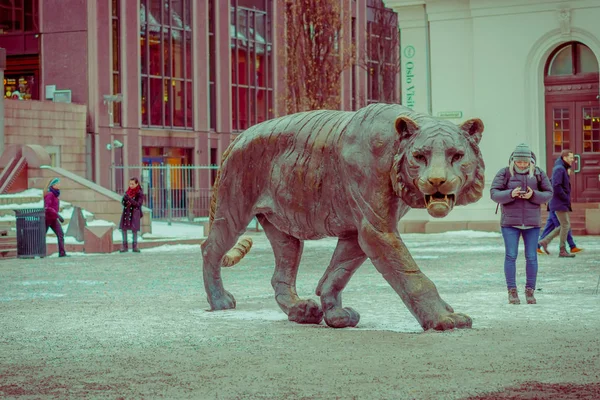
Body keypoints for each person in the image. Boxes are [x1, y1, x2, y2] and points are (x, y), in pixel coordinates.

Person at [490, 143, 553, 305]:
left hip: (532, 223)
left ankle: (530, 291)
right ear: (513, 160)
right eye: (519, 162)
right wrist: (511, 194)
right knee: (511, 256)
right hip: (510, 222)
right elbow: (494, 193)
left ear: (531, 161)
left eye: (525, 162)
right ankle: (512, 291)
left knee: (531, 257)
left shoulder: (538, 173)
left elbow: (548, 194)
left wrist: (533, 195)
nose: (522, 164)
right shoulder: (504, 173)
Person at [538, 150, 576, 258]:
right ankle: (562, 250)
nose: (572, 160)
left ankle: (545, 241)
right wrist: (565, 198)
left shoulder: (562, 168)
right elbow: (556, 185)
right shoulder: (559, 169)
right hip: (559, 202)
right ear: (564, 157)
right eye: (571, 157)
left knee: (565, 225)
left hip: (559, 202)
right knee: (565, 225)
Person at [44, 177, 67, 257]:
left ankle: (62, 253)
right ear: (53, 185)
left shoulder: (55, 194)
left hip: (53, 219)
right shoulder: (50, 194)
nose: (59, 184)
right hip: (47, 219)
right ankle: (40, 253)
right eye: (58, 183)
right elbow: (47, 208)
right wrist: (58, 215)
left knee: (60, 234)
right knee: (42, 236)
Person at [119, 177, 144, 253]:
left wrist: (129, 199)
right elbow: (123, 203)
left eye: (132, 184)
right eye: (130, 184)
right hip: (127, 211)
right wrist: (124, 200)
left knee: (134, 230)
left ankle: (135, 247)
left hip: (135, 213)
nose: (131, 185)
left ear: (137, 184)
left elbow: (138, 204)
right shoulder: (128, 192)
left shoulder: (139, 193)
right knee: (124, 228)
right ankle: (125, 246)